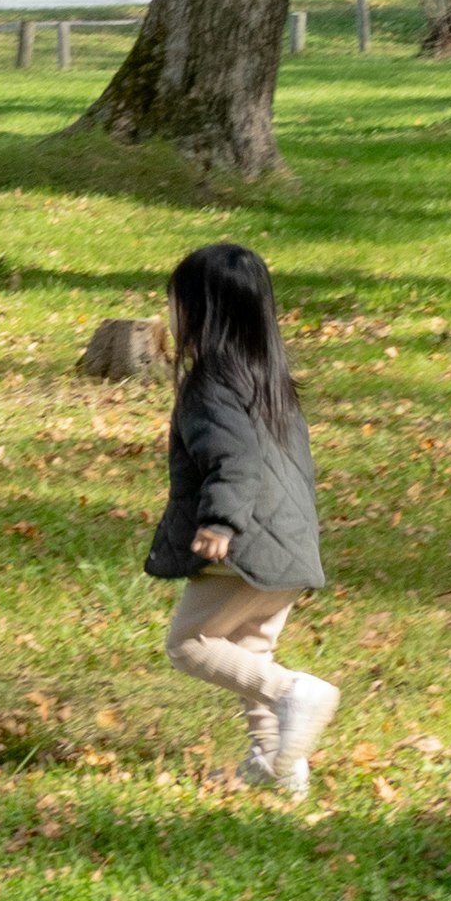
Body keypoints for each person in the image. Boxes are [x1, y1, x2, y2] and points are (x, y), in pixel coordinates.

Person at [141, 241, 337, 795]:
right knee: (250, 649)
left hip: (245, 544)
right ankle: (278, 764)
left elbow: (238, 459)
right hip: (291, 546)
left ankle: (295, 693)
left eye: (176, 303)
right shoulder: (270, 382)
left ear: (204, 312)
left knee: (191, 644)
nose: (171, 315)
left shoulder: (210, 384)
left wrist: (221, 522)